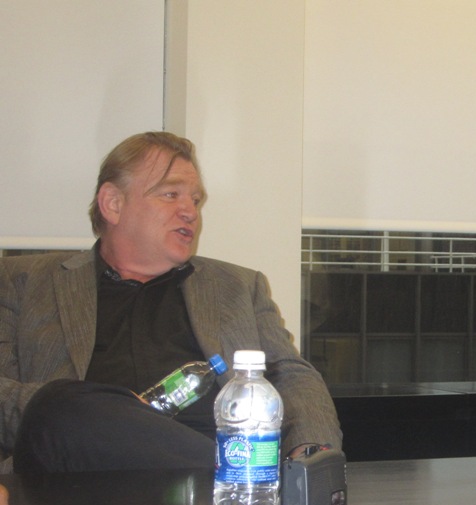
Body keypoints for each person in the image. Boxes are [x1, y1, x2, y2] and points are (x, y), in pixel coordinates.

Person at [0, 131, 342, 472]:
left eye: (195, 200)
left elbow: (292, 375)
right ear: (113, 204)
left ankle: (233, 474)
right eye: (170, 194)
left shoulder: (238, 286)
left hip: (206, 493)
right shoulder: (24, 282)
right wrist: (102, 413)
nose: (190, 212)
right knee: (63, 402)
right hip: (75, 481)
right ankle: (233, 472)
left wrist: (311, 454)